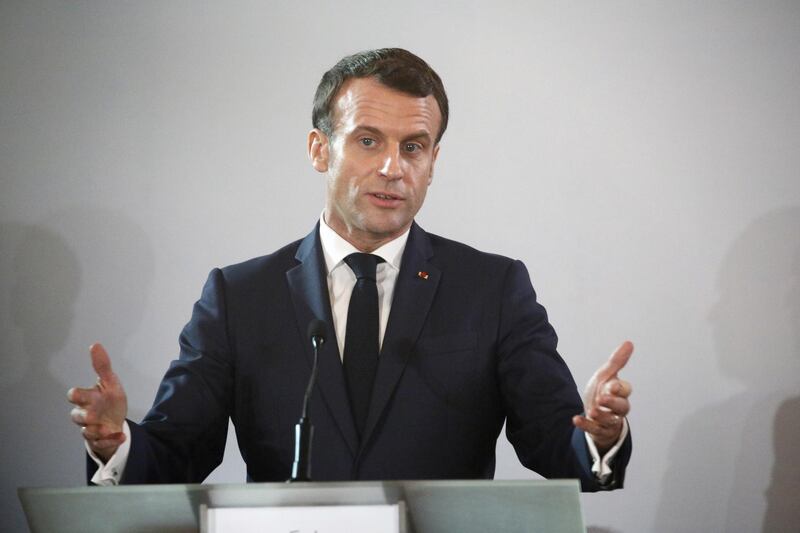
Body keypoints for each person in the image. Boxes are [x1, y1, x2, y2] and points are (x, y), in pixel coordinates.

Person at [67, 48, 633, 491]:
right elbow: (177, 452)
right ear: (320, 149)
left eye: (414, 147)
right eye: (368, 141)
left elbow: (558, 444)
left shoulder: (492, 287)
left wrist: (600, 437)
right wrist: (117, 441)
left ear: (434, 162)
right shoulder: (240, 297)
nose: (393, 167)